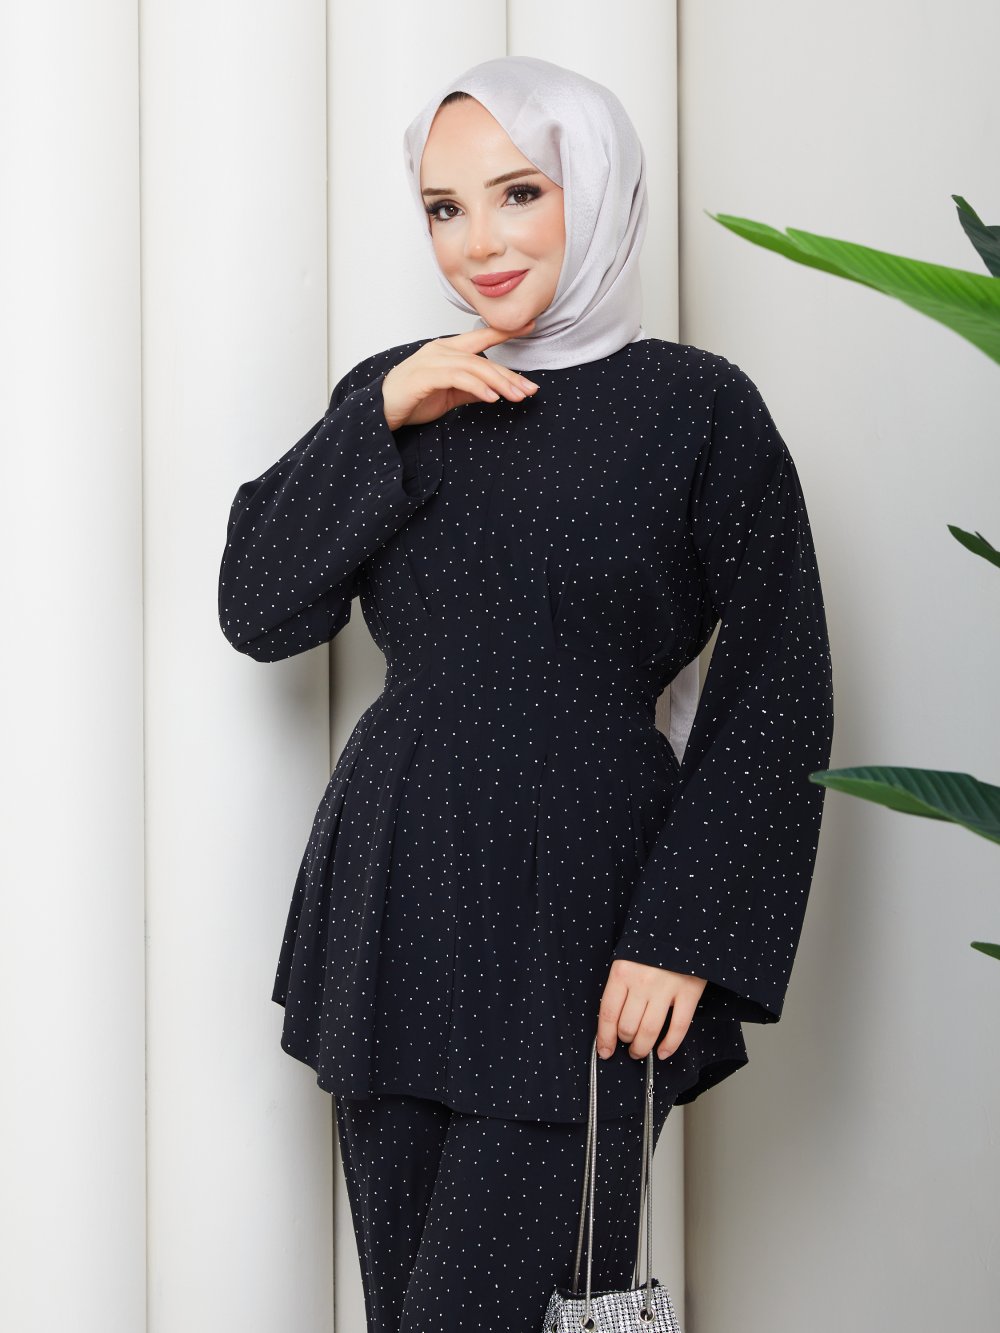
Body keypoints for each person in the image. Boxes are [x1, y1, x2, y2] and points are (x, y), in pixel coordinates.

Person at [217, 54, 834, 1333]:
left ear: (592, 189)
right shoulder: (399, 391)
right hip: (392, 902)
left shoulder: (697, 407)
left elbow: (781, 681)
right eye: (444, 208)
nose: (479, 243)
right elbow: (260, 609)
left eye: (517, 193)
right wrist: (379, 416)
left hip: (586, 925)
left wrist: (686, 931)